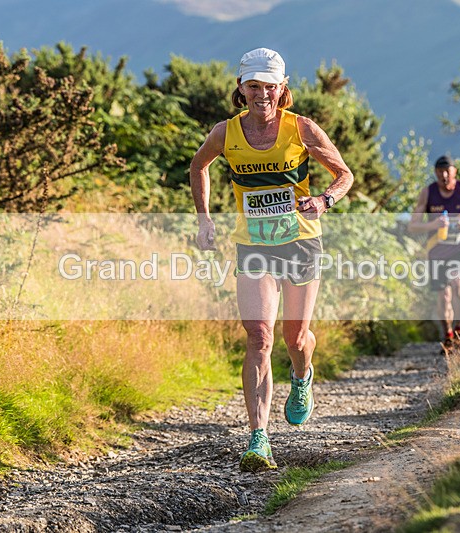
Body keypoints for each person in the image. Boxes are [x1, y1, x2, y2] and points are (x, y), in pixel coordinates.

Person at [189, 48, 354, 473]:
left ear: (282, 90)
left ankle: (303, 376)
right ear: (241, 89)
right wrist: (205, 219)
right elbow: (198, 166)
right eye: (254, 86)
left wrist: (325, 199)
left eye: (270, 87)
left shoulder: (301, 128)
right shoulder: (226, 134)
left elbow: (344, 174)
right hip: (254, 246)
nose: (262, 94)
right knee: (259, 337)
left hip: (300, 241)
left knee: (294, 338)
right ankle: (258, 438)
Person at [408, 155, 460, 352]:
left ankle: (459, 330)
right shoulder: (427, 193)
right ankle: (448, 335)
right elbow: (413, 225)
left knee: (458, 284)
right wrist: (432, 224)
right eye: (439, 172)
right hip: (436, 249)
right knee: (443, 295)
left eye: (447, 172)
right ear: (435, 173)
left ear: (455, 172)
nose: (443, 176)